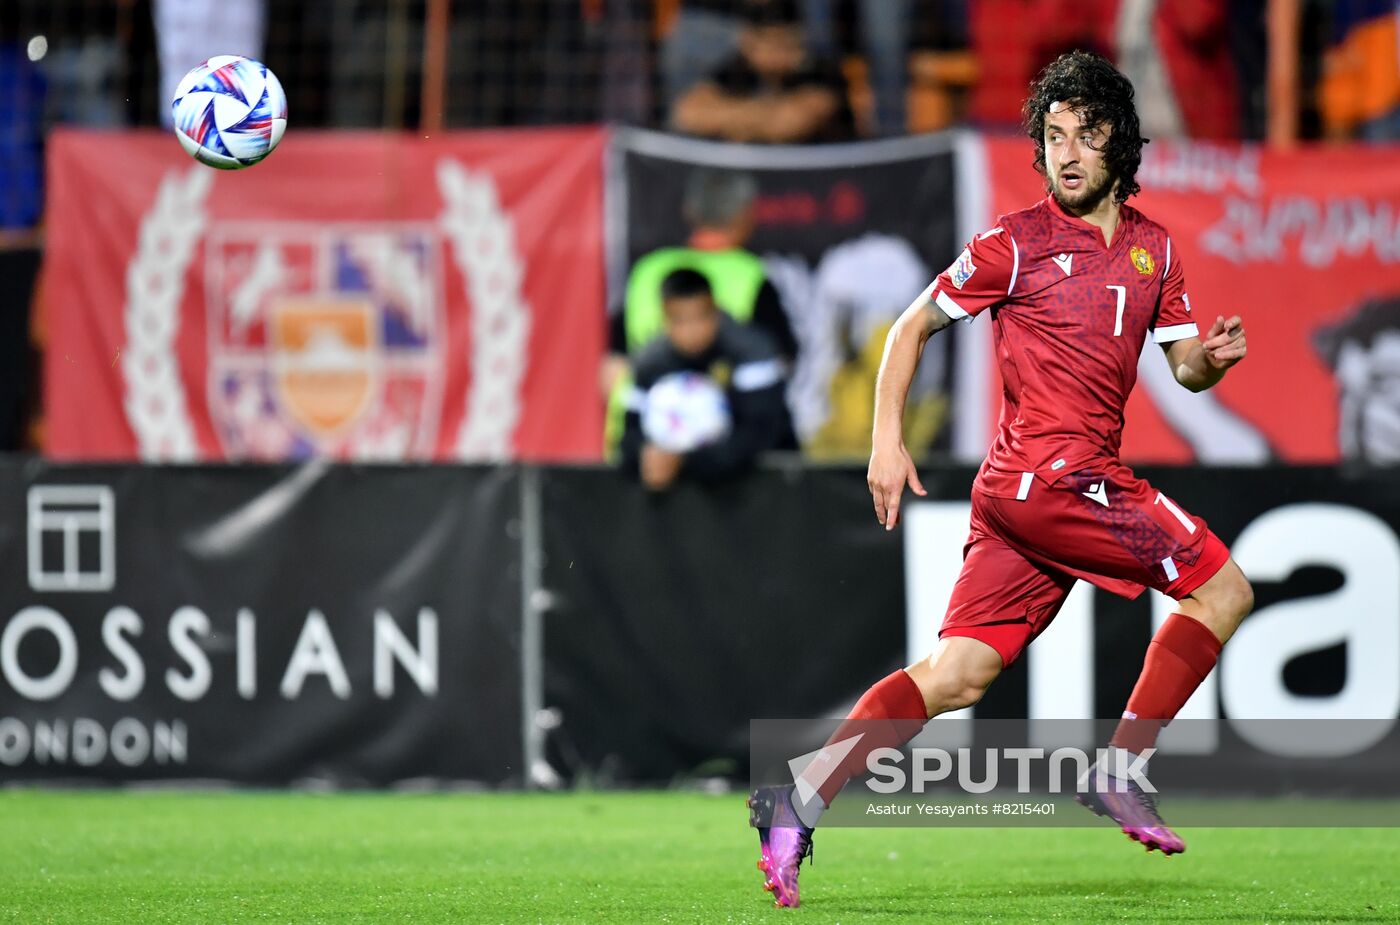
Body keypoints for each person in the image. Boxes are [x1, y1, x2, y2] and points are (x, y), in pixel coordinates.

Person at [748, 50, 1255, 908]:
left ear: (1119, 148)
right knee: (1224, 590)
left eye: (1085, 137)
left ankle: (796, 799)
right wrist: (885, 439)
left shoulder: (1153, 252)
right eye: (1052, 136)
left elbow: (1186, 373)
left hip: (1026, 497)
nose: (1065, 153)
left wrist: (1210, 358)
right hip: (1053, 479)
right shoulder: (1012, 244)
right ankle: (1120, 767)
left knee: (956, 676)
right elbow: (908, 329)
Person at [602, 167, 796, 453]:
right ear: (746, 215)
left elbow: (610, 370)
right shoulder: (752, 276)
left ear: (689, 212)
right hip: (726, 458)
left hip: (639, 450)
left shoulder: (646, 271)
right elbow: (782, 363)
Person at [621, 269, 794, 490]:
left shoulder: (753, 352)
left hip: (761, 492)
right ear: (664, 318)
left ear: (715, 309)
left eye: (701, 317)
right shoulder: (649, 364)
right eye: (680, 321)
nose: (692, 331)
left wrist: (685, 461)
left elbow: (761, 436)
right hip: (676, 501)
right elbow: (628, 438)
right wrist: (644, 455)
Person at [672, 0, 855, 144]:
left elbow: (790, 122)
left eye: (784, 43)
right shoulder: (738, 70)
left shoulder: (819, 71)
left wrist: (733, 120)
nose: (774, 53)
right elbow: (687, 114)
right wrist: (762, 117)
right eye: (766, 43)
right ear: (750, 45)